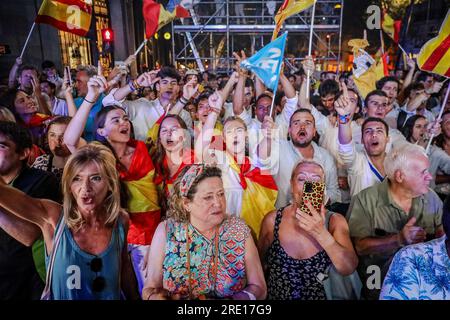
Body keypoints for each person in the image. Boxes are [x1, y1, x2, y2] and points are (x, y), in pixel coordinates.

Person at [0, 143, 139, 300]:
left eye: (96, 178)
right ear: (69, 185)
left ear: (110, 184)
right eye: (77, 179)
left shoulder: (120, 220)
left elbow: (124, 267)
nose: (85, 188)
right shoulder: (54, 217)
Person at [63, 72, 161, 295]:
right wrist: (90, 98)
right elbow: (69, 141)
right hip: (119, 231)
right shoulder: (99, 156)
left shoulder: (143, 148)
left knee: (153, 289)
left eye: (125, 118)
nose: (124, 122)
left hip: (153, 230)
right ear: (101, 131)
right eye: (115, 120)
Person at [142, 164, 266, 300]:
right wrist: (156, 297)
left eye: (221, 194)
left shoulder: (238, 230)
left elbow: (259, 287)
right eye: (208, 197)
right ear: (186, 204)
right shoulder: (167, 232)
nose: (218, 203)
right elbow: (149, 289)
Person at [347, 143, 445, 300]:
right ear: (400, 176)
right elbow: (359, 247)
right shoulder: (365, 200)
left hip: (425, 277)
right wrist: (398, 239)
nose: (430, 176)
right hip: (379, 278)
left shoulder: (431, 196)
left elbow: (442, 235)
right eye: (423, 172)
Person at [258, 160, 358, 299]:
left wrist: (320, 233)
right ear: (291, 185)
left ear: (323, 189)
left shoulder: (335, 221)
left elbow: (348, 267)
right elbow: (259, 265)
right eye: (301, 179)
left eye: (315, 180)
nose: (308, 186)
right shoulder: (272, 220)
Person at [198, 92, 278, 239]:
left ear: (246, 135)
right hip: (222, 238)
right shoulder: (219, 162)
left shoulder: (253, 164)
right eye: (229, 131)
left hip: (253, 239)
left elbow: (263, 154)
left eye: (239, 130)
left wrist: (268, 136)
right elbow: (201, 149)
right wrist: (214, 111)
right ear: (223, 137)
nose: (235, 135)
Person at [0, 121, 60, 299]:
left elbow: (29, 235)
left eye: (1, 146)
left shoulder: (42, 181)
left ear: (23, 153)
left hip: (26, 280)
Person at [257, 108, 341, 208]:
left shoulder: (326, 157)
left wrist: (318, 198)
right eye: (296, 123)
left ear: (314, 131)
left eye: (308, 123)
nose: (302, 126)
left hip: (314, 220)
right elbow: (261, 158)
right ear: (289, 130)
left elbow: (335, 192)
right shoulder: (277, 147)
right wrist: (266, 136)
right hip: (280, 218)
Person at [380, 196, 450, 300]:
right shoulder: (412, 258)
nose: (429, 178)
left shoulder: (432, 197)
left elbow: (439, 230)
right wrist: (399, 239)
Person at [102, 67, 195, 143]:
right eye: (164, 82)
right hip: (141, 161)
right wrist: (136, 84)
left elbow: (186, 142)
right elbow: (109, 102)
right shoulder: (141, 106)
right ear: (157, 87)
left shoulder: (184, 115)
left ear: (178, 88)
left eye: (173, 83)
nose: (169, 86)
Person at [336, 84, 390, 196]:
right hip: (359, 214)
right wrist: (343, 118)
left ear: (388, 139)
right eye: (368, 131)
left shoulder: (396, 163)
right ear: (361, 140)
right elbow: (346, 148)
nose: (374, 134)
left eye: (379, 131)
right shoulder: (357, 162)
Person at [31, 116, 73, 183]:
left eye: (63, 136)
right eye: (52, 135)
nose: (57, 140)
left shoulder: (81, 164)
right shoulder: (41, 162)